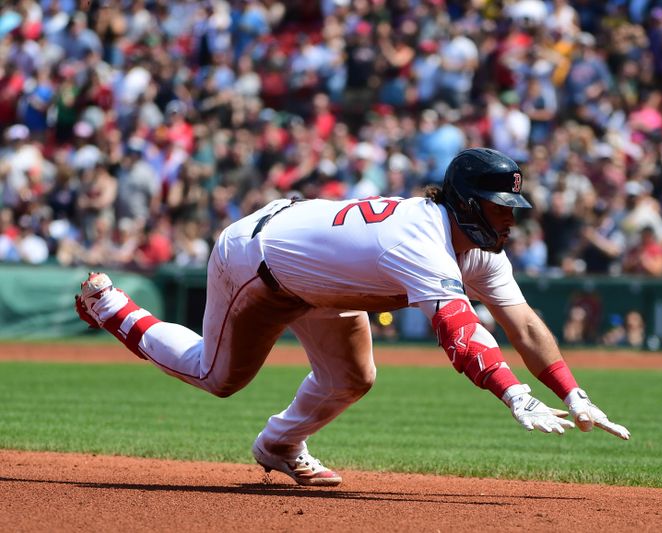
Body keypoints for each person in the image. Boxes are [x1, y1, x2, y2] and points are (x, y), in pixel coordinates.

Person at [74, 148, 630, 487]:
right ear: (464, 203)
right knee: (217, 377)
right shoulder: (420, 236)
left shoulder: (477, 247)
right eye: (498, 208)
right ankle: (112, 306)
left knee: (353, 378)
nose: (509, 221)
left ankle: (278, 446)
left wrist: (572, 393)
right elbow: (460, 334)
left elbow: (524, 324)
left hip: (320, 280)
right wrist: (516, 395)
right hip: (258, 259)